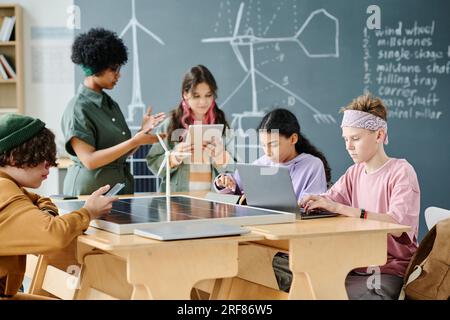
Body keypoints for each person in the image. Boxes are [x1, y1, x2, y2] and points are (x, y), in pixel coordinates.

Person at [298, 94, 420, 299]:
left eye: (355, 138)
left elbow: (398, 225)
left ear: (379, 135)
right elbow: (328, 200)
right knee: (307, 287)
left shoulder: (401, 171)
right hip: (353, 265)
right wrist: (308, 200)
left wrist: (341, 208)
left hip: (388, 271)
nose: (348, 146)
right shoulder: (354, 172)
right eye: (346, 139)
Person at [0, 114, 117, 300]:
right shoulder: (5, 190)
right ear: (15, 157)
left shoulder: (10, 186)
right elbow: (53, 234)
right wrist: (88, 212)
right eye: (42, 158)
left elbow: (41, 200)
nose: (50, 167)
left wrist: (45, 214)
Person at [61, 28, 164, 196]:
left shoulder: (110, 104)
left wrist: (141, 133)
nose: (118, 75)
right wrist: (134, 141)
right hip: (89, 195)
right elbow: (90, 161)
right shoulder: (78, 109)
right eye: (114, 69)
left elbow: (121, 152)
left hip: (117, 191)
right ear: (96, 67)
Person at [146, 65, 236, 192]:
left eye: (208, 95)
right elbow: (153, 162)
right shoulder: (171, 124)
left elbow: (234, 169)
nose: (203, 102)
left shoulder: (221, 124)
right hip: (177, 200)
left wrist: (221, 156)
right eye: (196, 96)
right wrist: (173, 157)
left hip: (213, 200)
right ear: (185, 94)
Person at [214, 108, 331, 203]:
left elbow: (313, 205)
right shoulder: (262, 163)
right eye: (264, 145)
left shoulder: (312, 165)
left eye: (273, 144)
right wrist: (225, 182)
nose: (268, 152)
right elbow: (235, 185)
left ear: (293, 139)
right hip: (266, 224)